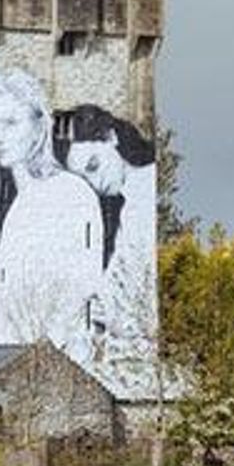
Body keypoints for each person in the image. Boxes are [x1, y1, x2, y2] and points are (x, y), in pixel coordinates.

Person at [0, 69, 102, 365]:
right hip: (14, 373)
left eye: (11, 123)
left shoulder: (72, 195)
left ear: (40, 127)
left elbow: (81, 293)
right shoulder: (14, 212)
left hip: (59, 369)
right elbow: (2, 320)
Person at [63, 104, 159, 397]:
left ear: (112, 138)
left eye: (93, 166)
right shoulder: (129, 205)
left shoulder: (146, 196)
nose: (94, 183)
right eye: (83, 178)